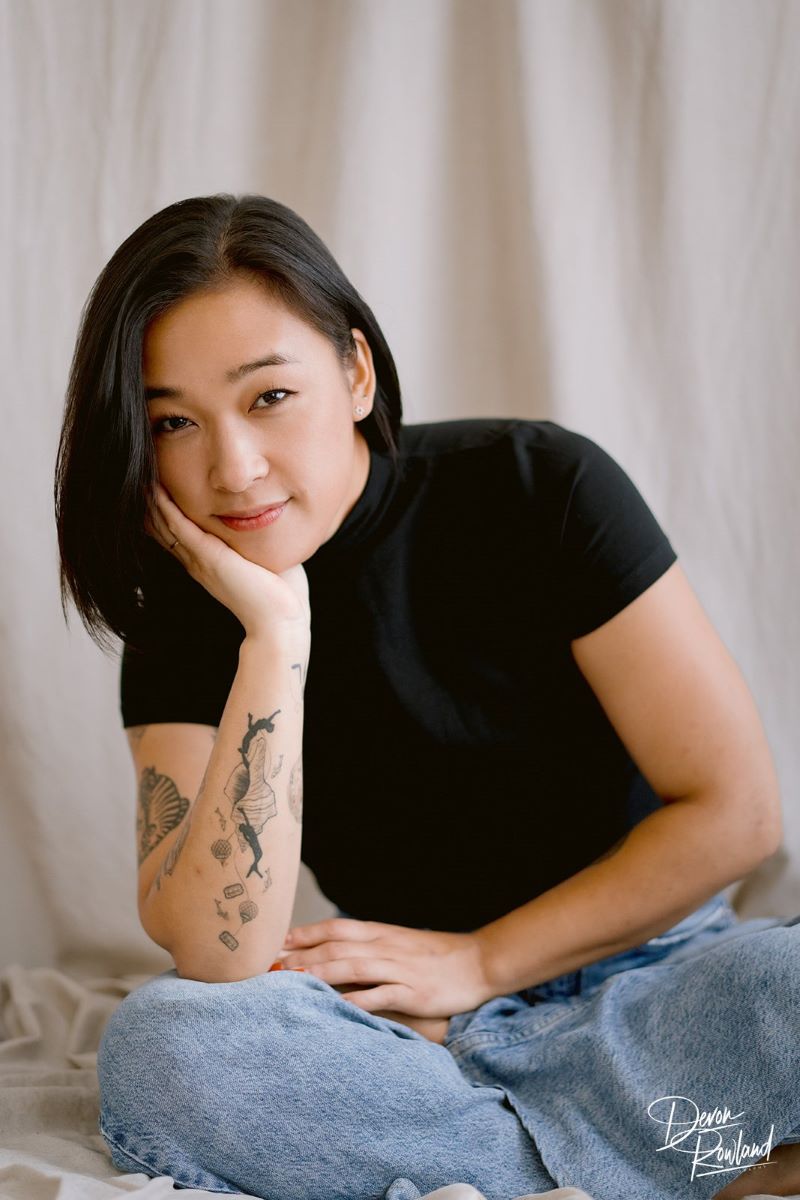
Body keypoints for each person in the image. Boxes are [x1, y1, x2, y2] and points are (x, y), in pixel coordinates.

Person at [54, 193, 800, 1200]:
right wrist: (272, 640)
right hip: (414, 1036)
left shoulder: (535, 485)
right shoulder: (190, 607)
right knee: (163, 1048)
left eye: (268, 397)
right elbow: (212, 949)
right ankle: (711, 1167)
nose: (232, 467)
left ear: (355, 371)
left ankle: (543, 1161)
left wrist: (484, 960)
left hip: (659, 977)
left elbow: (736, 815)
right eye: (173, 422)